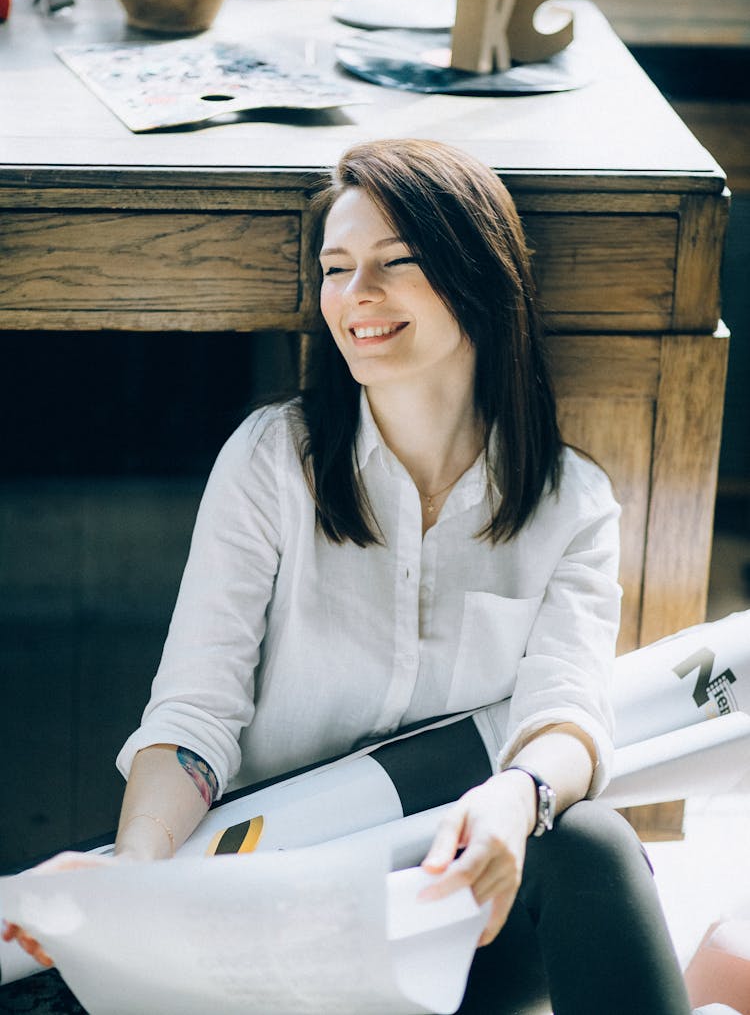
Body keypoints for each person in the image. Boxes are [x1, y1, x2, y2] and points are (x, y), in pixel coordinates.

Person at [4, 138, 691, 1015]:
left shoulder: (571, 502)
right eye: (336, 268)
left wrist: (514, 800)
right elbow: (193, 715)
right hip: (275, 905)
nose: (354, 296)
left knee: (591, 843)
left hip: (454, 909)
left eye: (392, 264)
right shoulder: (270, 462)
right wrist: (137, 881)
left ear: (474, 277)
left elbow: (566, 713)